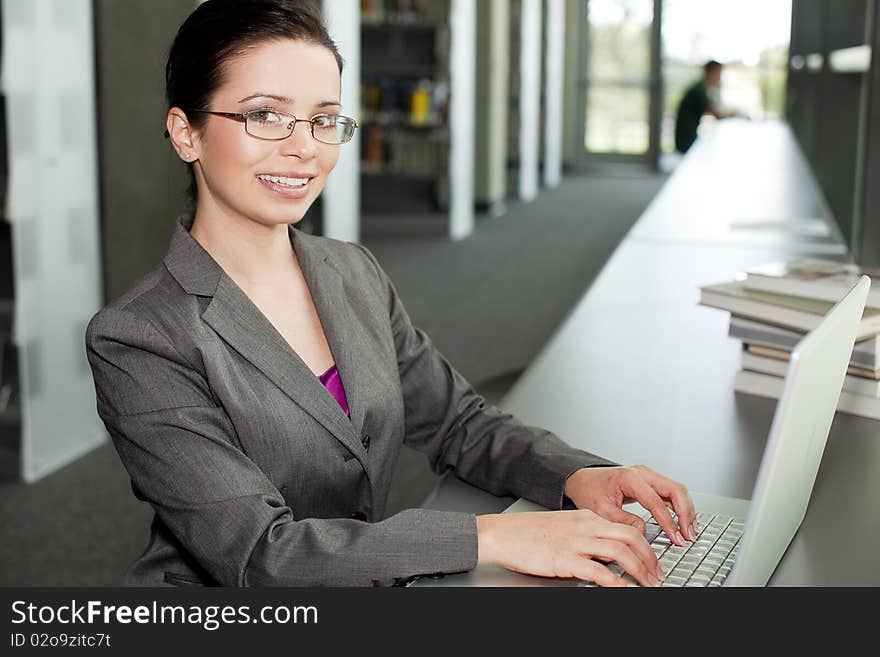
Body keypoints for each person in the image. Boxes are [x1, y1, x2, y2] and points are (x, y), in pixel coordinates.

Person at [86, 0, 697, 588]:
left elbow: (458, 422)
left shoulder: (352, 272)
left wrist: (579, 474)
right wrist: (495, 539)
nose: (304, 147)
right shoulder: (140, 336)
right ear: (186, 132)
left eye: (324, 119)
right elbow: (260, 556)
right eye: (265, 115)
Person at [674, 59, 738, 154]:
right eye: (719, 74)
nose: (720, 78)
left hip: (689, 137)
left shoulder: (700, 88)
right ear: (711, 72)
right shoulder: (698, 91)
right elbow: (717, 115)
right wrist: (736, 113)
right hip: (686, 140)